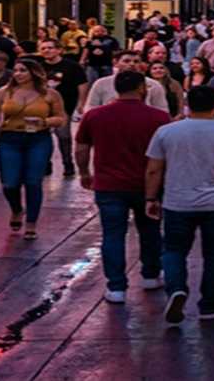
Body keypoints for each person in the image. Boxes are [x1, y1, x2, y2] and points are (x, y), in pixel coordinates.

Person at [145, 85, 214, 324]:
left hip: (177, 202)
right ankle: (209, 305)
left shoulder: (166, 132)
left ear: (187, 105)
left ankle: (176, 288)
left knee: (174, 250)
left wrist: (151, 198)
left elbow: (154, 169)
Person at [75, 70, 171, 303]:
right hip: (147, 184)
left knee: (113, 234)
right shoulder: (158, 118)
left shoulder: (95, 116)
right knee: (150, 230)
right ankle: (150, 274)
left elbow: (82, 147)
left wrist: (85, 172)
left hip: (109, 184)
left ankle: (116, 287)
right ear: (142, 88)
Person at [0, 60, 67, 237]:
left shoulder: (50, 94)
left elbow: (61, 118)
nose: (18, 74)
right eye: (16, 70)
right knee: (9, 183)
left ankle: (31, 223)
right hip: (10, 138)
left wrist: (45, 122)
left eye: (23, 70)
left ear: (34, 72)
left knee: (33, 181)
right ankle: (16, 208)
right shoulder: (4, 92)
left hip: (38, 138)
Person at [38, 40, 87, 177]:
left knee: (64, 136)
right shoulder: (39, 68)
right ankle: (45, 164)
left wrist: (81, 103)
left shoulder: (72, 66)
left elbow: (82, 85)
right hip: (43, 107)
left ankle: (68, 163)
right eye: (43, 48)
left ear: (59, 50)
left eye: (50, 48)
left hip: (66, 106)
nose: (46, 50)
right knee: (43, 136)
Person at [84, 52, 170, 112]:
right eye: (126, 61)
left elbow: (162, 109)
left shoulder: (154, 85)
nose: (132, 64)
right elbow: (90, 107)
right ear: (115, 63)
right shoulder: (101, 83)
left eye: (136, 61)